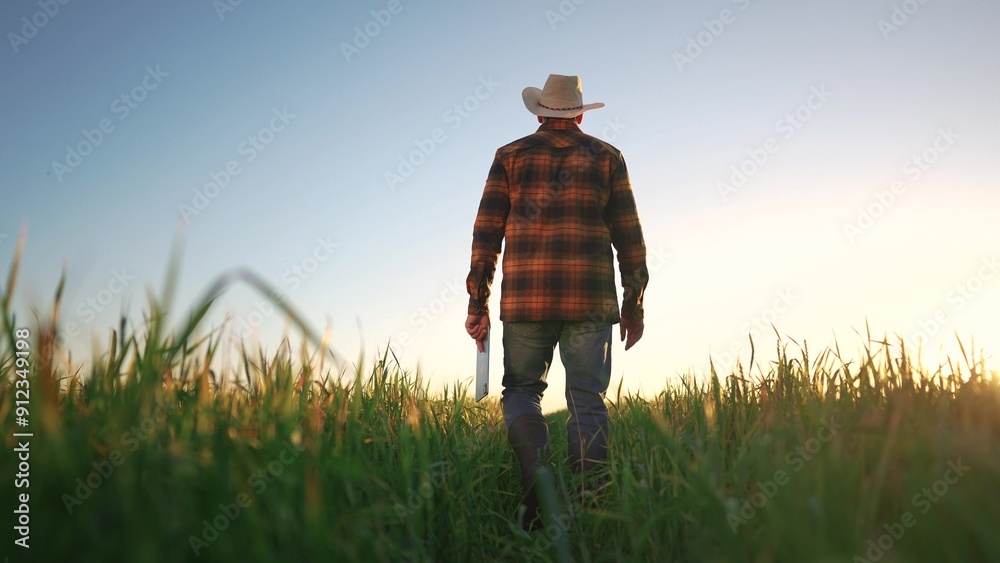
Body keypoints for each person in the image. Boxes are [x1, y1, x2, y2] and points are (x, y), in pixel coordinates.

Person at [464, 74, 649, 529]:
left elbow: (486, 233)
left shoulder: (509, 157)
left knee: (523, 391)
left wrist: (477, 302)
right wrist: (634, 305)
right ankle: (592, 508)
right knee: (587, 398)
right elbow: (631, 239)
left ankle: (537, 485)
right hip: (590, 299)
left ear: (541, 112)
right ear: (581, 114)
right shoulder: (608, 158)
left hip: (526, 300)